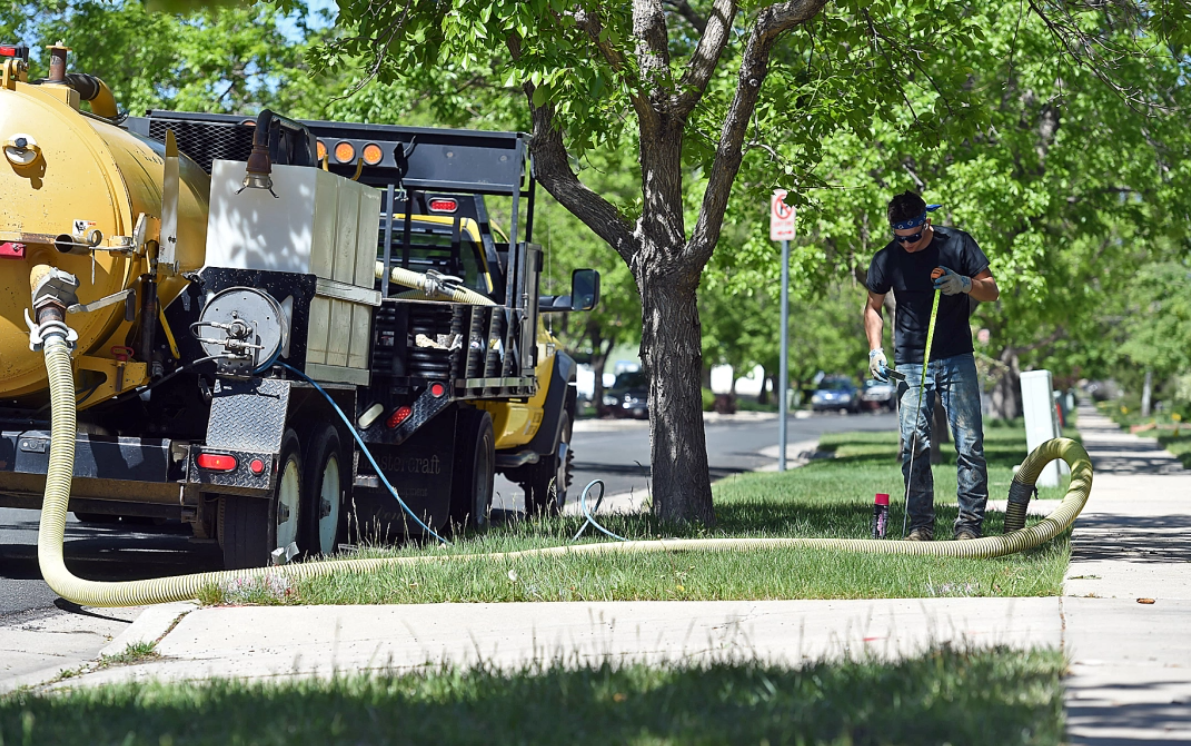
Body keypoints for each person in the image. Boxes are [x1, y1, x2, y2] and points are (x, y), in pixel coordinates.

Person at [862, 191, 1000, 541]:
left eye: (913, 236)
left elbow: (992, 290)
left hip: (957, 356)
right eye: (900, 237)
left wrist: (964, 283)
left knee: (969, 443)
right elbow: (873, 308)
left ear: (926, 222)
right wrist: (875, 350)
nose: (907, 244)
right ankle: (920, 526)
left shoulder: (956, 244)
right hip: (910, 362)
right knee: (914, 444)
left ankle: (969, 526)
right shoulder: (887, 259)